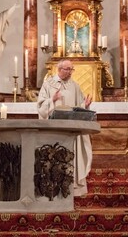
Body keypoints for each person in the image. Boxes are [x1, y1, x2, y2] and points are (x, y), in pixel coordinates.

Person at [37, 59, 93, 196]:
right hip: (54, 127)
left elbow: (78, 105)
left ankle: (73, 188)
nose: (70, 72)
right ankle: (53, 187)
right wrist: (52, 100)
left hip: (70, 128)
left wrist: (84, 105)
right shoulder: (48, 84)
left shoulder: (74, 85)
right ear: (59, 69)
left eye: (71, 69)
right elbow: (40, 106)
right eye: (68, 69)